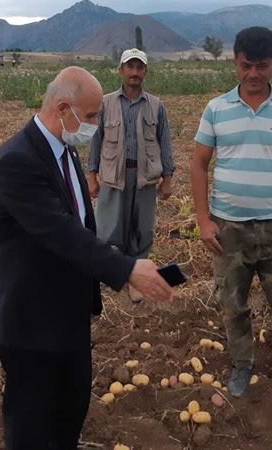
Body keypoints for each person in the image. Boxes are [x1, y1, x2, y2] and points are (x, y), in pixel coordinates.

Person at [0, 66, 173, 449]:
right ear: (63, 108)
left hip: (66, 311)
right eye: (90, 117)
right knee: (32, 419)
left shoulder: (64, 149)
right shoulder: (18, 160)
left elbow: (82, 225)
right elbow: (62, 233)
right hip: (31, 318)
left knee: (70, 405)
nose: (95, 124)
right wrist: (127, 268)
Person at [191, 26, 272, 418]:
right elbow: (198, 163)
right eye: (246, 66)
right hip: (229, 230)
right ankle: (242, 365)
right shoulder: (216, 108)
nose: (254, 74)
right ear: (235, 63)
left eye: (262, 66)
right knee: (233, 304)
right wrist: (203, 220)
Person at [87, 48, 175, 303]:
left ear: (145, 71)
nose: (135, 72)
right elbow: (96, 140)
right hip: (114, 175)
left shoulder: (156, 106)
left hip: (146, 177)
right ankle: (113, 273)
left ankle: (137, 279)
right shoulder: (105, 103)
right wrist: (91, 175)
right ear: (121, 70)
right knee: (109, 228)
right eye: (130, 67)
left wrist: (167, 178)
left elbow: (165, 142)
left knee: (142, 229)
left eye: (139, 67)